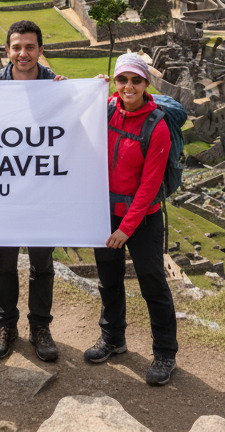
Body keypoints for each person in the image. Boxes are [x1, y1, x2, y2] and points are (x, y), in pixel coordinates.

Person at [84, 52, 178, 386]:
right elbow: (68, 115)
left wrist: (126, 228)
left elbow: (150, 187)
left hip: (142, 219)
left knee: (153, 283)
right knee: (108, 279)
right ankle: (113, 338)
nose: (129, 86)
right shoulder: (107, 108)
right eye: (122, 79)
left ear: (146, 84)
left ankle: (165, 353)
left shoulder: (157, 127)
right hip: (105, 213)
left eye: (136, 80)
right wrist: (80, 89)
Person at [0, 20, 66, 362]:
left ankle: (40, 327)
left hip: (42, 193)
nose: (23, 54)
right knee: (3, 264)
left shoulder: (56, 87)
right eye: (16, 47)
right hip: (4, 191)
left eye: (30, 47)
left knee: (41, 264)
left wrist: (81, 93)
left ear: (40, 50)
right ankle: (5, 325)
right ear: (7, 51)